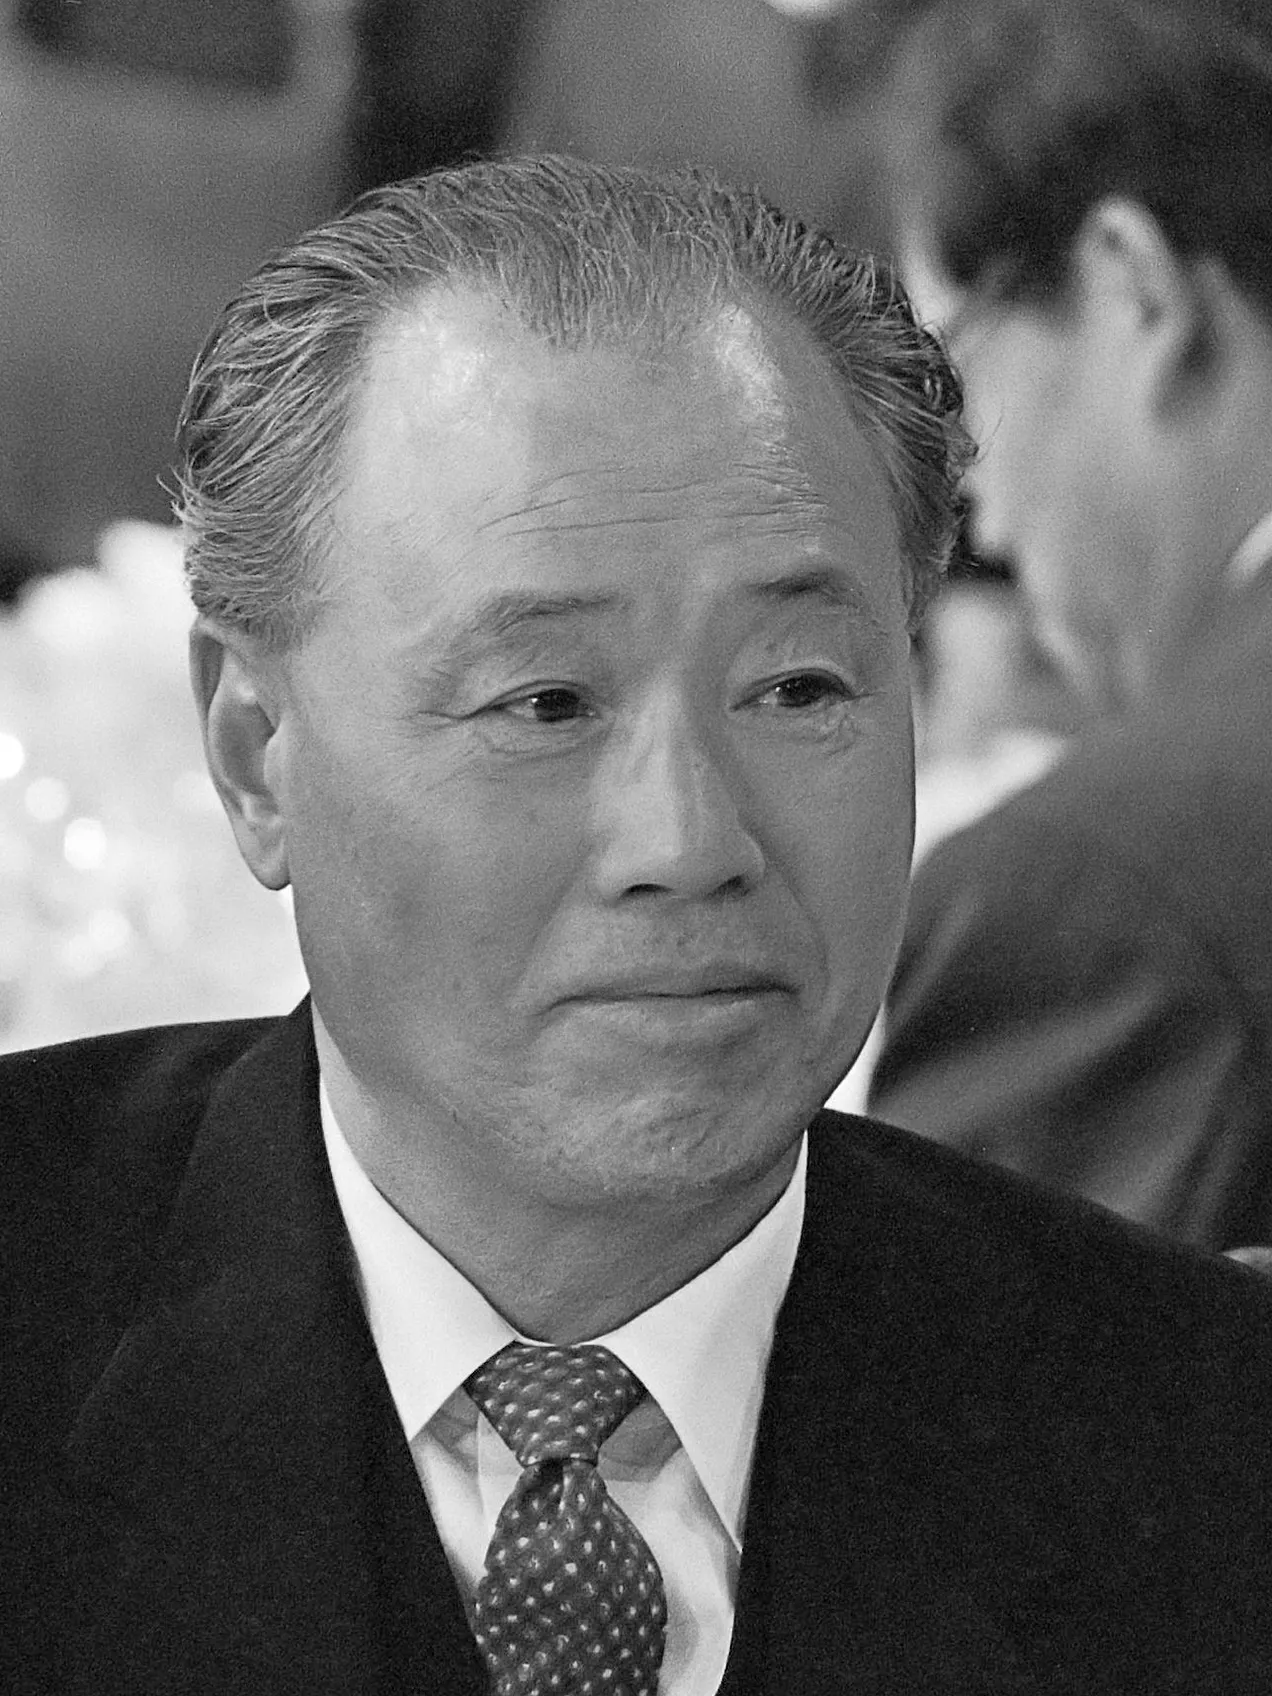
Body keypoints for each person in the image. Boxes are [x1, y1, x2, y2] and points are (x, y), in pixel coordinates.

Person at [5, 157, 1272, 1696]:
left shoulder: (1205, 1445)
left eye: (797, 687)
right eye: (546, 702)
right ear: (255, 753)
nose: (687, 843)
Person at [867, 0, 1272, 1250]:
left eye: (950, 370)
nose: (970, 501)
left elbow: (951, 1379)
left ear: (1132, 290)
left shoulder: (1094, 899)